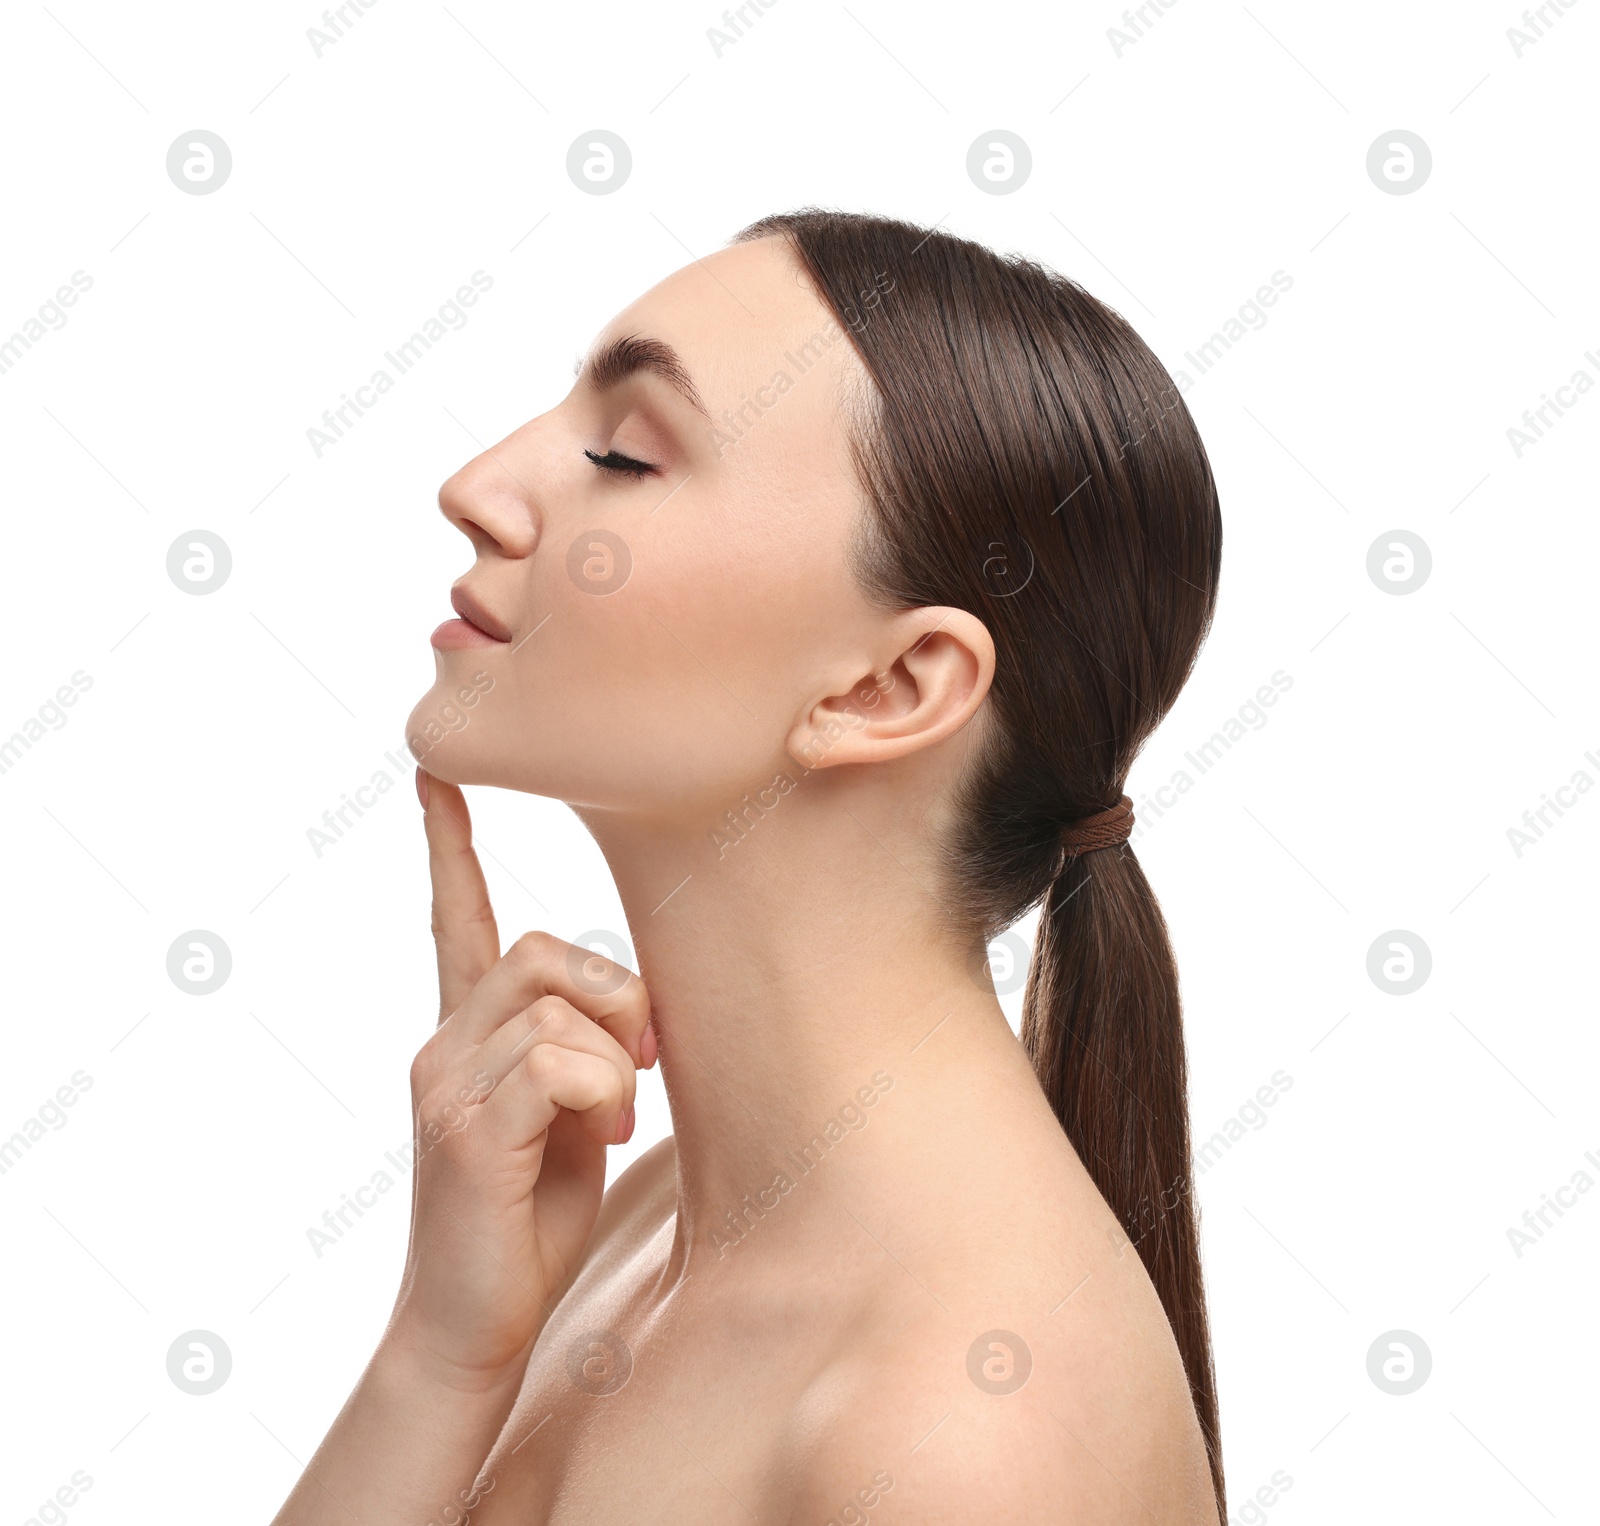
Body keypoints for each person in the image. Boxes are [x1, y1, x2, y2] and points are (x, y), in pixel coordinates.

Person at [271, 209, 1226, 1524]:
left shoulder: (964, 1436)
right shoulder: (636, 1228)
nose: (480, 485)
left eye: (623, 452)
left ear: (892, 684)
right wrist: (442, 1357)